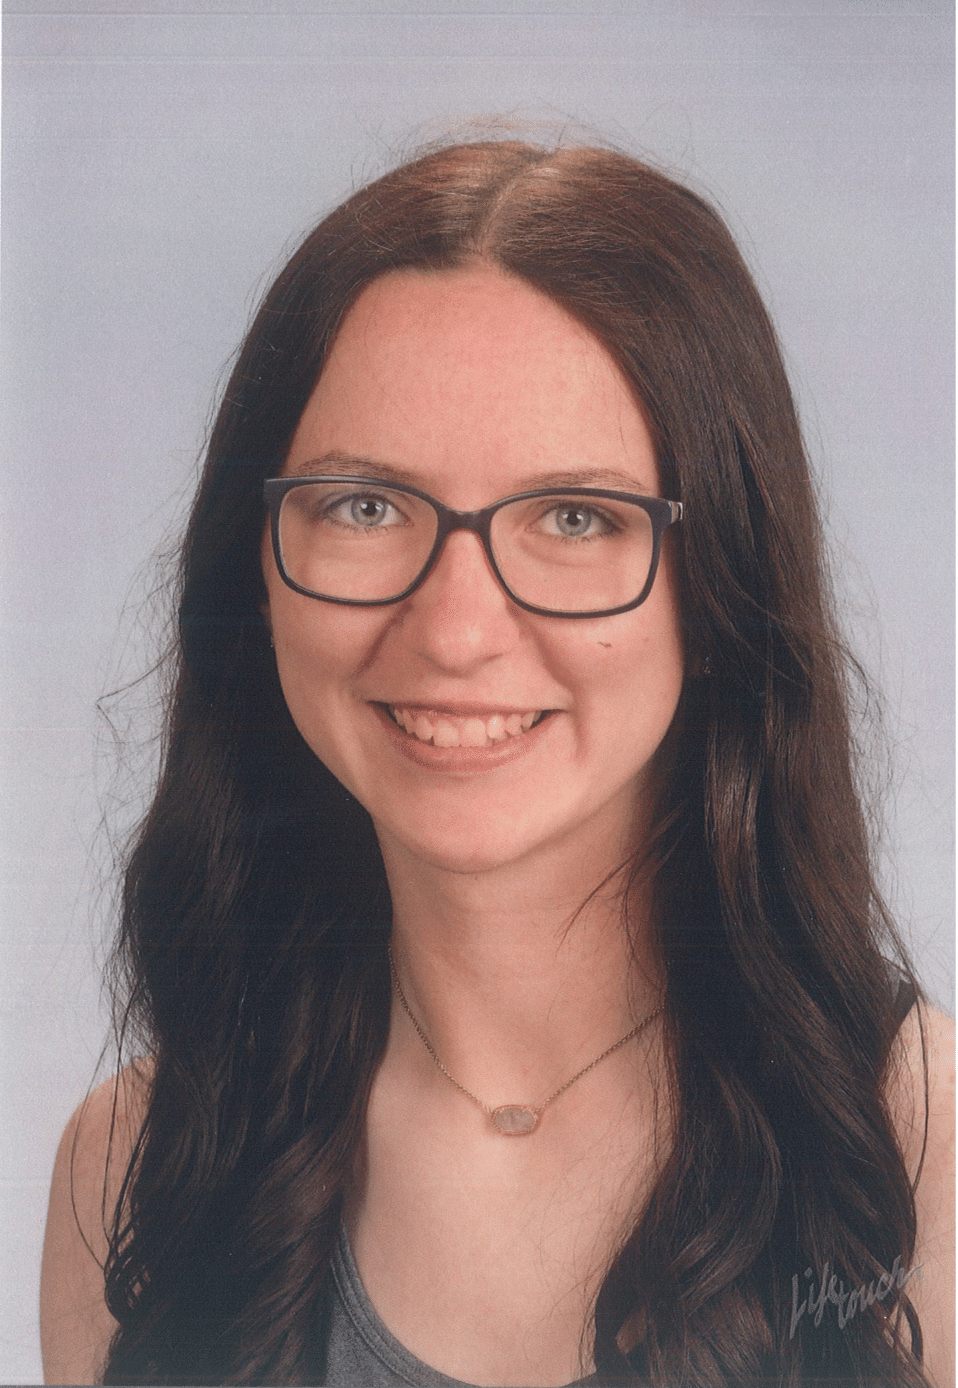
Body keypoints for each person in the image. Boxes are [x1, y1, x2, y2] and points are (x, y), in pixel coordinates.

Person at [40, 138, 953, 1387]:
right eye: (364, 505)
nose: (457, 630)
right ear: (252, 567)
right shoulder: (137, 1169)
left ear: (722, 582)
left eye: (575, 517)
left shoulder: (924, 1152)